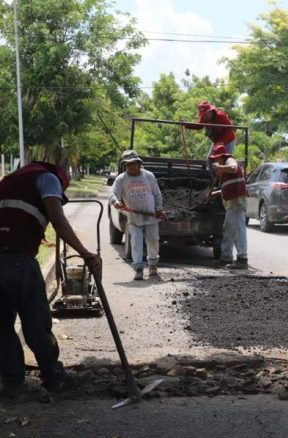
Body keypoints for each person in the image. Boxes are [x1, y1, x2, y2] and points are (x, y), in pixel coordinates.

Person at [0, 161, 102, 397]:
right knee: (36, 322)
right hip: (18, 261)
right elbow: (57, 219)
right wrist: (85, 253)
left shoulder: (11, 181)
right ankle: (54, 378)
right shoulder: (48, 178)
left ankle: (11, 381)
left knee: (1, 325)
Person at [109, 150, 165, 281]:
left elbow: (157, 194)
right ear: (124, 166)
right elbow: (112, 192)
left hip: (151, 217)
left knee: (153, 240)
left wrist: (158, 208)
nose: (131, 167)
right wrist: (115, 202)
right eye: (128, 165)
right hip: (134, 219)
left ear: (139, 164)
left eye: (133, 164)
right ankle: (139, 269)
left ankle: (152, 266)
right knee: (136, 243)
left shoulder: (149, 176)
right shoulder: (122, 179)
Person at [210, 145, 248, 270]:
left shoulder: (230, 161)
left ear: (222, 157)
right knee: (228, 229)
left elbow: (233, 168)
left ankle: (242, 259)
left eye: (216, 159)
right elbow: (227, 187)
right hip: (231, 202)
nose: (215, 162)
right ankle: (226, 257)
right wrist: (213, 194)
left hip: (236, 202)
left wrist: (219, 167)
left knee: (237, 228)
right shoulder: (224, 171)